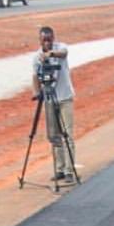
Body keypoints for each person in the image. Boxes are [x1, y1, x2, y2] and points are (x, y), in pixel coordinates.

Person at [31, 25, 75, 183]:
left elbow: (64, 53)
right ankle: (60, 169)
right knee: (54, 136)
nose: (47, 42)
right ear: (40, 40)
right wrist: (36, 92)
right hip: (50, 99)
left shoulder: (60, 48)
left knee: (68, 134)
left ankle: (70, 171)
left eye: (49, 39)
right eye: (44, 40)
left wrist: (51, 54)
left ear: (53, 38)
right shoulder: (37, 56)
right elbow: (35, 75)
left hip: (64, 97)